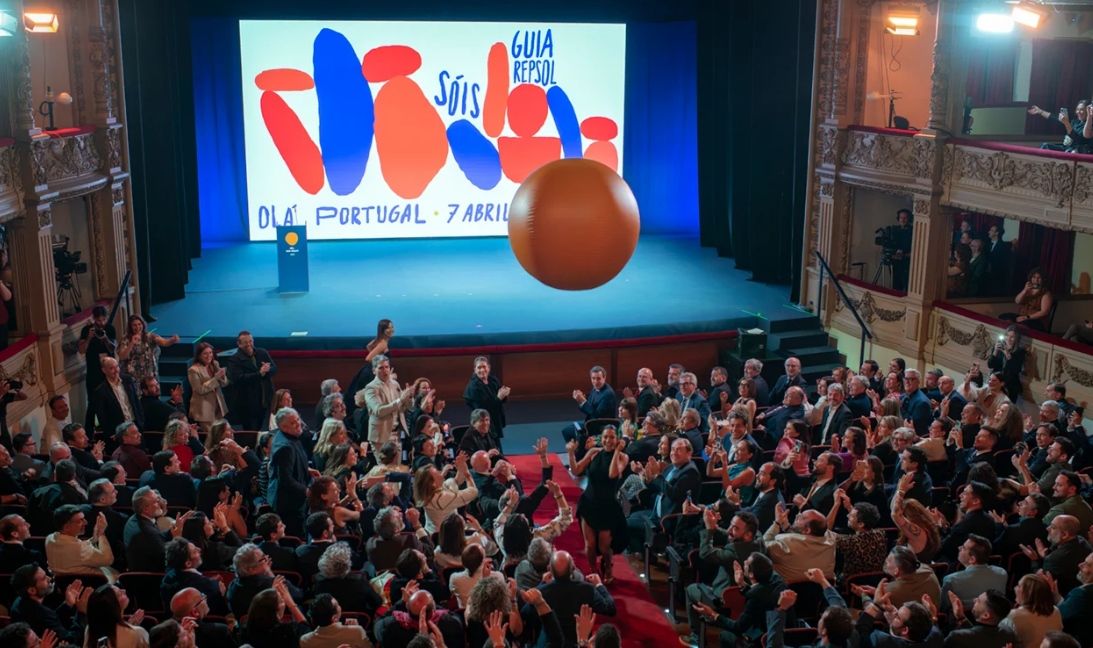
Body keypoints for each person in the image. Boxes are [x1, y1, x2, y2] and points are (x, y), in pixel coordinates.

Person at [681, 510, 764, 646]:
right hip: (751, 601)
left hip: (725, 601)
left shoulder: (732, 553)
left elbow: (705, 553)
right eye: (730, 525)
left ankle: (696, 637)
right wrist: (717, 528)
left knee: (691, 589)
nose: (729, 529)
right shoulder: (760, 542)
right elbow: (733, 534)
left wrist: (709, 529)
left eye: (735, 528)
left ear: (748, 535)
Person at [569, 425, 629, 583]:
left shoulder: (623, 457)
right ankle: (593, 572)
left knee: (604, 547)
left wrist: (617, 451)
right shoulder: (594, 452)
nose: (608, 440)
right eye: (605, 437)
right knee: (589, 545)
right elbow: (576, 471)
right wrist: (570, 453)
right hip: (588, 504)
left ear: (617, 439)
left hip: (607, 507)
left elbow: (612, 474)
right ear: (601, 438)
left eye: (612, 437)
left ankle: (608, 568)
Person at [691, 552, 786, 647]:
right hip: (777, 634)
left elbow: (738, 627)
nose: (744, 562)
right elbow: (759, 593)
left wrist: (712, 614)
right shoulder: (775, 580)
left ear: (751, 574)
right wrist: (741, 583)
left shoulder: (754, 598)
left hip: (761, 641)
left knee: (725, 635)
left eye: (747, 563)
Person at [625, 437, 701, 554]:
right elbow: (658, 487)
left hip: (667, 519)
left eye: (679, 450)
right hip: (655, 512)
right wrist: (645, 476)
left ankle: (645, 555)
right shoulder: (672, 467)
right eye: (673, 449)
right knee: (628, 518)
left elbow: (673, 494)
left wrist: (657, 475)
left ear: (689, 453)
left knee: (627, 524)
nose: (674, 453)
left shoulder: (690, 473)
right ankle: (643, 553)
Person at [535, 551, 616, 646]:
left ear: (549, 569)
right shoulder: (587, 589)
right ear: (573, 568)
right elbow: (610, 609)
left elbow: (524, 613)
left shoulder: (542, 592)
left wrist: (542, 584)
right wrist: (599, 585)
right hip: (581, 642)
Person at [268, 407, 314, 536]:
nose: (298, 424)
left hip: (292, 499)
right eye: (293, 423)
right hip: (289, 503)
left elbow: (290, 465)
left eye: (298, 419)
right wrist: (306, 491)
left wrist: (307, 469)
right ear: (284, 427)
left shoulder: (289, 437)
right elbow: (285, 479)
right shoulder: (285, 447)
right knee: (295, 534)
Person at [762, 504, 837, 584]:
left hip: (785, 589)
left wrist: (777, 523)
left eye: (802, 517)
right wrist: (787, 527)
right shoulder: (831, 538)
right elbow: (805, 540)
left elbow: (763, 546)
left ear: (807, 530)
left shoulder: (786, 543)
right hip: (824, 589)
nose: (797, 516)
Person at [363, 354, 414, 461]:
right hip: (381, 436)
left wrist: (409, 398)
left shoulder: (395, 384)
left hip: (396, 434)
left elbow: (406, 407)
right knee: (385, 468)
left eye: (387, 367)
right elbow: (378, 411)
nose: (385, 370)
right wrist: (401, 400)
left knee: (397, 468)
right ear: (374, 371)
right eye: (381, 368)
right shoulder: (371, 388)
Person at [414, 450, 478, 535]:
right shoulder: (441, 498)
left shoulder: (429, 492)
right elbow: (473, 492)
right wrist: (467, 474)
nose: (441, 473)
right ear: (432, 483)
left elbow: (455, 481)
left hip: (433, 532)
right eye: (437, 473)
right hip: (445, 536)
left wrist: (461, 467)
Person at [225, 331, 277, 432]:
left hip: (265, 398)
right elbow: (238, 379)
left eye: (250, 341)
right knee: (250, 430)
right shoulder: (234, 360)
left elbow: (274, 368)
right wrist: (260, 374)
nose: (249, 344)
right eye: (245, 342)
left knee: (262, 426)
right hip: (247, 403)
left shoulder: (262, 352)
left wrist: (268, 370)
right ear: (239, 344)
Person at [45, 505, 114, 578]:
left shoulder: (50, 538)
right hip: (91, 582)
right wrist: (101, 534)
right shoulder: (80, 548)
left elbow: (76, 550)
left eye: (84, 519)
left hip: (60, 582)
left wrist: (95, 537)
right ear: (66, 527)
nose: (86, 522)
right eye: (80, 521)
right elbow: (108, 560)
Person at [78, 304, 117, 431]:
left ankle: (110, 427)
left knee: (111, 399)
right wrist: (89, 338)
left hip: (109, 371)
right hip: (93, 372)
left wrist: (105, 339)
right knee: (93, 402)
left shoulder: (109, 328)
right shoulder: (86, 330)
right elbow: (82, 350)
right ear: (94, 318)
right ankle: (90, 430)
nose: (101, 323)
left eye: (103, 320)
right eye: (98, 320)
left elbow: (113, 348)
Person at [1001, 574, 1063, 648]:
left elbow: (1000, 638)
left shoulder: (1013, 616)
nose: (1015, 588)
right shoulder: (1056, 611)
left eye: (1019, 586)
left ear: (1028, 593)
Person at [463, 355, 511, 450]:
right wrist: (499, 398)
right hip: (482, 423)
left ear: (488, 368)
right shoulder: (473, 387)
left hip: (495, 420)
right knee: (490, 449)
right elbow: (482, 410)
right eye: (479, 367)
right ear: (475, 370)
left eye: (484, 367)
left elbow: (501, 398)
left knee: (496, 448)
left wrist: (504, 394)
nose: (482, 370)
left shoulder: (493, 380)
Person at [117, 314, 179, 385]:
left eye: (139, 324)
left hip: (149, 375)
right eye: (134, 325)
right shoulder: (126, 339)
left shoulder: (149, 336)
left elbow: (164, 342)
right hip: (133, 376)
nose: (137, 327)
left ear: (143, 325)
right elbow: (122, 356)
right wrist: (131, 343)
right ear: (130, 327)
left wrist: (172, 340)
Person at [941, 589, 1015, 648]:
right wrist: (961, 617)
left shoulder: (956, 637)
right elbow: (979, 636)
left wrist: (935, 620)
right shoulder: (1008, 634)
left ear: (986, 615)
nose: (974, 600)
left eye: (978, 601)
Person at [91, 357, 144, 439]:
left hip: (136, 425)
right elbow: (102, 416)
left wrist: (141, 422)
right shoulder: (101, 391)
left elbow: (136, 402)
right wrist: (111, 433)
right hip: (119, 431)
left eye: (117, 366)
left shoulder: (128, 380)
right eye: (111, 368)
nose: (116, 370)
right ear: (104, 370)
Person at [563, 365, 618, 443]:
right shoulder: (595, 389)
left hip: (599, 427)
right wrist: (580, 401)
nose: (595, 381)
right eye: (593, 378)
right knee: (567, 431)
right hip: (590, 423)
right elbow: (589, 409)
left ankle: (579, 449)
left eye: (598, 378)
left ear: (604, 378)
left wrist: (583, 401)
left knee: (568, 431)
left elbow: (596, 415)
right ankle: (575, 449)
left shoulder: (608, 394)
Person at [84, 583, 149, 648]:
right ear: (113, 605)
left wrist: (130, 624)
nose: (124, 590)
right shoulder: (138, 633)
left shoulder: (90, 629)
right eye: (120, 594)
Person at [300, 593, 372, 648]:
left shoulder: (305, 640)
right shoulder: (357, 631)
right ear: (334, 618)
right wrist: (355, 630)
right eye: (337, 605)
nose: (339, 606)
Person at [187, 342, 229, 433]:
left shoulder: (215, 364)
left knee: (221, 434)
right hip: (204, 410)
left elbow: (224, 384)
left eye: (210, 353)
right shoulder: (193, 370)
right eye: (205, 353)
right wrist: (215, 378)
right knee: (211, 436)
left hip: (218, 406)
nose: (209, 356)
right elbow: (199, 390)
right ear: (199, 355)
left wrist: (222, 376)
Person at [891, 208, 913, 291]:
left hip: (907, 262)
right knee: (896, 284)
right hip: (896, 261)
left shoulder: (912, 230)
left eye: (905, 218)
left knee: (906, 285)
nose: (903, 220)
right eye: (901, 218)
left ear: (909, 219)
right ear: (898, 218)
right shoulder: (894, 230)